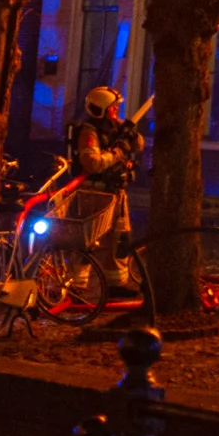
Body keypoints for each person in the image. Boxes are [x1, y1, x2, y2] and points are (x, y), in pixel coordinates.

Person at [65, 84, 142, 301]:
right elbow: (93, 163)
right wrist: (119, 152)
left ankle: (116, 284)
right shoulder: (89, 132)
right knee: (87, 240)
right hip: (94, 194)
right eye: (113, 108)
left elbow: (139, 144)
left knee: (119, 241)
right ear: (100, 109)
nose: (116, 111)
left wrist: (131, 136)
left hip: (117, 193)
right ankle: (76, 286)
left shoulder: (116, 128)